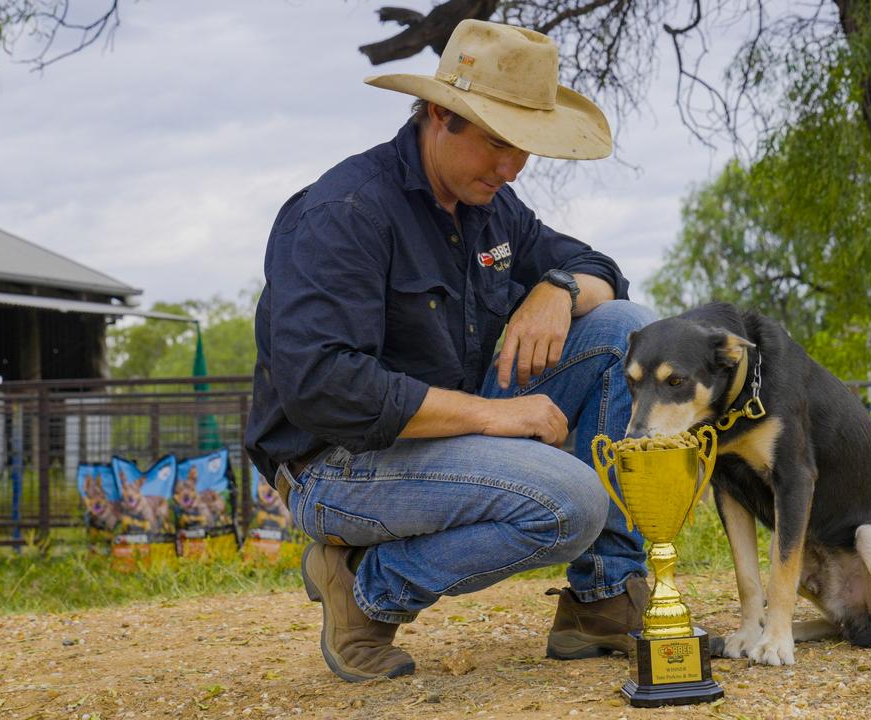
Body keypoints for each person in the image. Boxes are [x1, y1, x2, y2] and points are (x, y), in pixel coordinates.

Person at [245, 19, 654, 683]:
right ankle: (365, 587)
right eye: (498, 142)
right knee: (572, 502)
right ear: (440, 114)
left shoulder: (489, 207)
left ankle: (603, 601)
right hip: (338, 463)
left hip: (445, 435)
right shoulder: (347, 211)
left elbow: (597, 267)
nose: (512, 166)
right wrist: (498, 416)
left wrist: (554, 288)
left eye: (525, 147)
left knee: (627, 331)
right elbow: (324, 384)